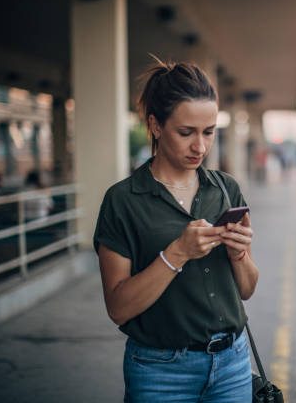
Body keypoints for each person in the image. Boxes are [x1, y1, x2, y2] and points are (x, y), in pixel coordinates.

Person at [94, 59, 259, 402]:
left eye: (209, 132)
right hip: (159, 371)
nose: (200, 147)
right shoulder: (123, 200)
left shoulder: (225, 189)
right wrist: (176, 253)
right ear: (155, 125)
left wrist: (238, 253)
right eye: (186, 133)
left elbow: (247, 289)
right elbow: (118, 308)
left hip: (232, 364)